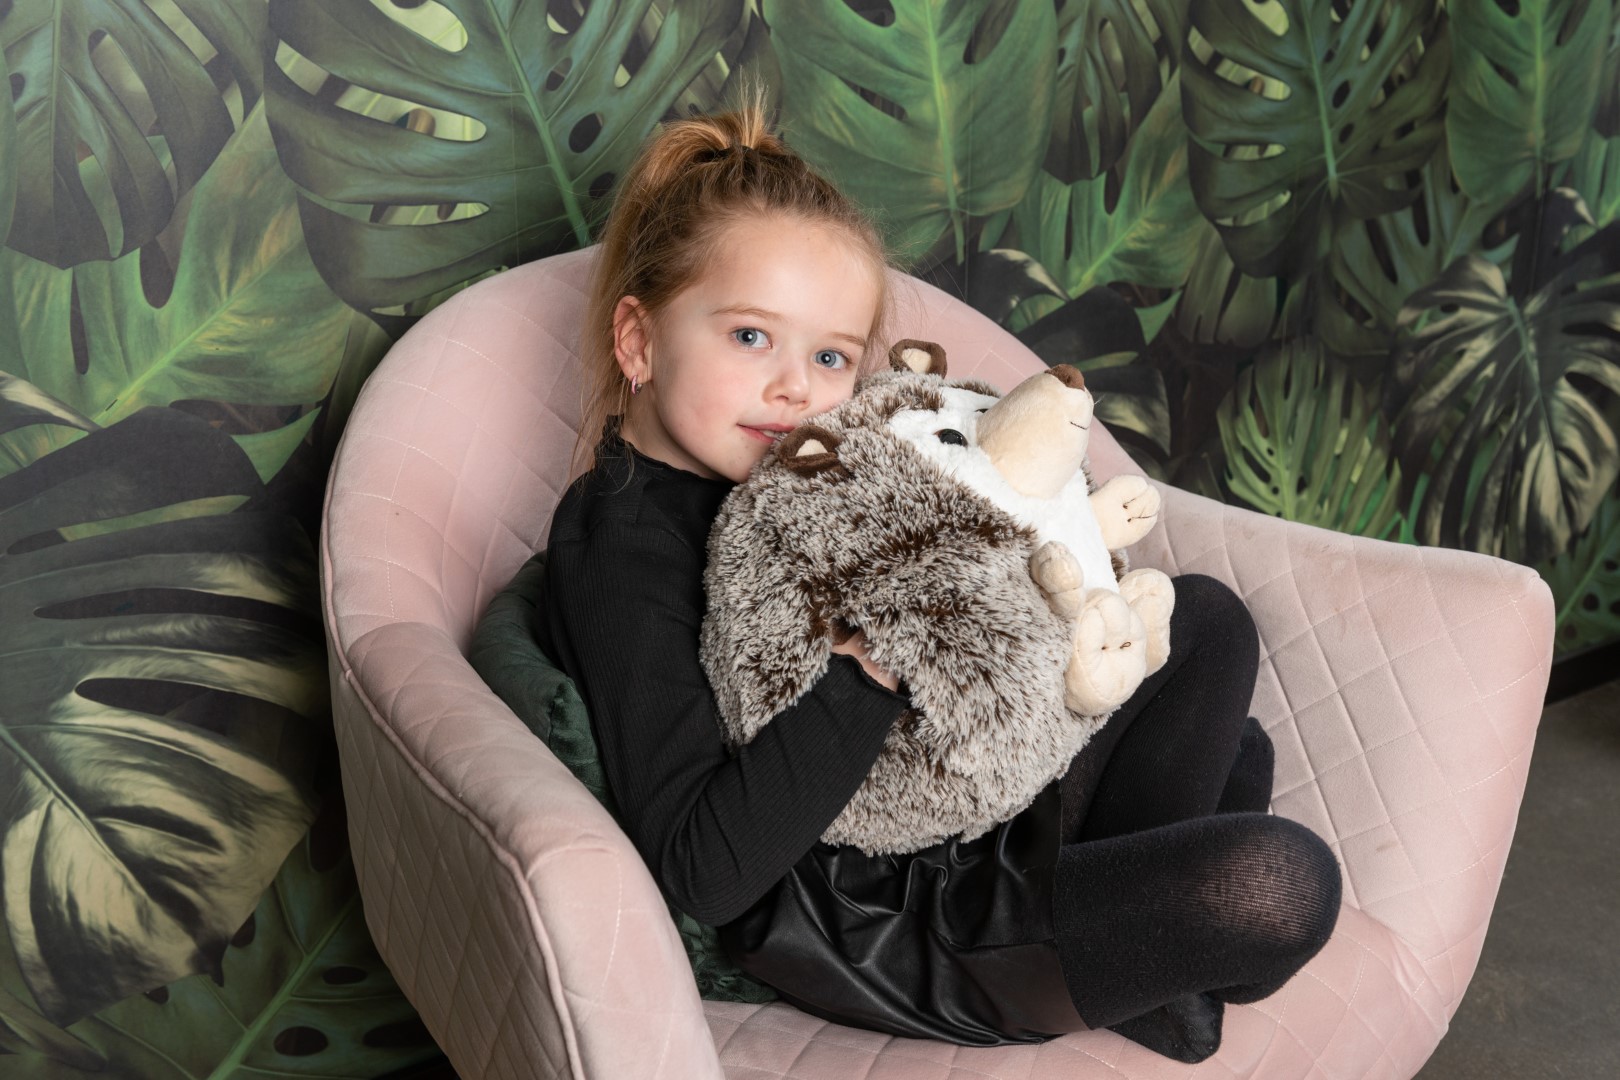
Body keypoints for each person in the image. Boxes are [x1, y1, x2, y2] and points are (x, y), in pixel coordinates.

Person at [532, 100, 1341, 1063]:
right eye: (750, 337)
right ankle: (1144, 964)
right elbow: (704, 871)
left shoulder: (801, 464)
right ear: (638, 340)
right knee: (1284, 881)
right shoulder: (621, 546)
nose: (795, 388)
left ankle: (1139, 947)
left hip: (964, 795)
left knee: (1208, 619)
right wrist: (875, 665)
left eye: (830, 356)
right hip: (880, 913)